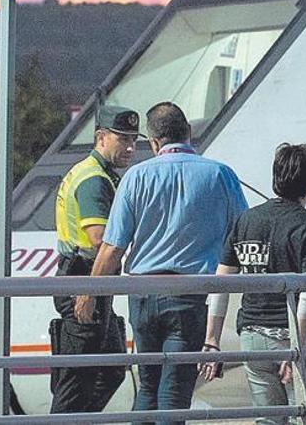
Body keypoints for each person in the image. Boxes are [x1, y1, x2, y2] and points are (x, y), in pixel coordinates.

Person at [82, 102, 248, 423]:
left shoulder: (134, 177)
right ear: (188, 133)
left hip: (141, 294)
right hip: (189, 296)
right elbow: (244, 234)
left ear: (154, 142)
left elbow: (112, 247)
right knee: (175, 390)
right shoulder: (220, 174)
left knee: (148, 385)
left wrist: (89, 293)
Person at [201, 143, 306, 425]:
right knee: (305, 419)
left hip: (253, 336)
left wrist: (211, 339)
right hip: (297, 337)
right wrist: (297, 348)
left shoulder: (246, 221)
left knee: (268, 421)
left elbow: (221, 283)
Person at [49, 106, 139, 414]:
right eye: (122, 139)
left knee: (111, 370)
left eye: (133, 140)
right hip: (85, 279)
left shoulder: (96, 173)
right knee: (78, 381)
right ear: (101, 137)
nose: (130, 147)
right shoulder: (94, 180)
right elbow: (101, 239)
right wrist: (89, 293)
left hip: (91, 279)